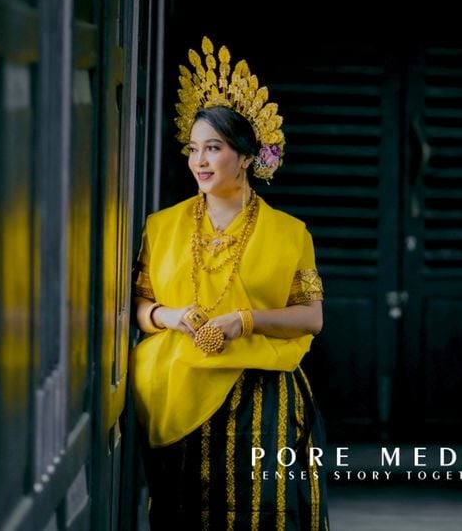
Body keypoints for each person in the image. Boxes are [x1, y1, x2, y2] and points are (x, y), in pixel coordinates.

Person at [132, 37, 330, 530]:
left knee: (264, 513)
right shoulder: (162, 226)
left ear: (244, 157)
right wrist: (170, 316)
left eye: (214, 148)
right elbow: (139, 305)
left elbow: (310, 318)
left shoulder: (289, 233)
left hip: (262, 396)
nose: (199, 161)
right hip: (177, 389)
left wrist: (244, 321)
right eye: (194, 148)